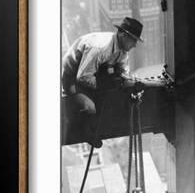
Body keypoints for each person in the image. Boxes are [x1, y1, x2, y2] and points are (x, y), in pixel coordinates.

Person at [62, 17, 144, 147]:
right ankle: (87, 133)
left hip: (91, 75)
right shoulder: (100, 48)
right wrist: (106, 85)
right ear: (123, 35)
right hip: (71, 78)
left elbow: (124, 73)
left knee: (113, 94)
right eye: (133, 40)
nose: (134, 45)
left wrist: (130, 83)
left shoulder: (122, 51)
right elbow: (82, 77)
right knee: (90, 107)